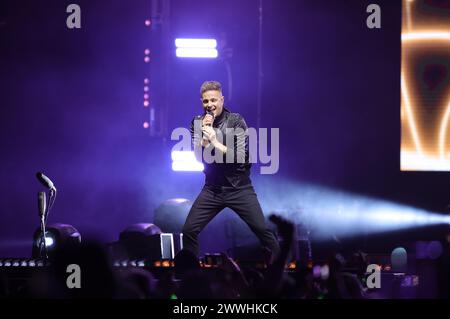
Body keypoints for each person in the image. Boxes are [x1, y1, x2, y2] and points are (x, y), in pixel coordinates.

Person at [181, 80, 280, 262]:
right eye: (205, 101)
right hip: (213, 189)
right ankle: (191, 276)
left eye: (213, 100)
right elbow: (198, 156)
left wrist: (216, 142)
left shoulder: (235, 120)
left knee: (262, 230)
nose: (210, 105)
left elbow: (241, 157)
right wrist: (205, 136)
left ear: (222, 100)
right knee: (188, 230)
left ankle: (283, 270)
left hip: (239, 188)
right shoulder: (197, 122)